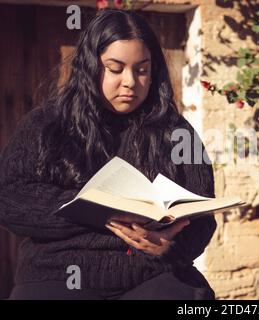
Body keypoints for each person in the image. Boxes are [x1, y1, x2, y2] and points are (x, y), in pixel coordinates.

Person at [0, 9, 217, 300]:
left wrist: (169, 246)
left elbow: (202, 219)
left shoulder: (176, 132)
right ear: (91, 66)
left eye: (141, 70)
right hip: (57, 274)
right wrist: (92, 209)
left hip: (150, 273)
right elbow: (10, 198)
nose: (130, 81)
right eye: (115, 69)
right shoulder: (47, 125)